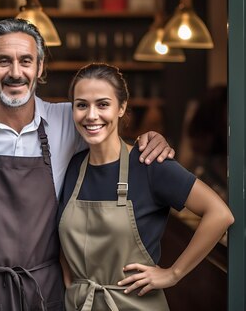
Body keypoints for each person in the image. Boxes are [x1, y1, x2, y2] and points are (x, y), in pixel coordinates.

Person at [0, 19, 175, 311]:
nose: (15, 72)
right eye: (3, 61)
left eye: (26, 61)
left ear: (40, 68)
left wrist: (148, 139)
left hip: (42, 293)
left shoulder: (67, 119)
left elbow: (106, 130)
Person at [58, 63, 234, 310]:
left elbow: (219, 214)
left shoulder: (149, 163)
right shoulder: (73, 167)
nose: (91, 115)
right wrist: (71, 282)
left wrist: (173, 273)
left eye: (103, 104)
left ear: (122, 108)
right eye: (82, 105)